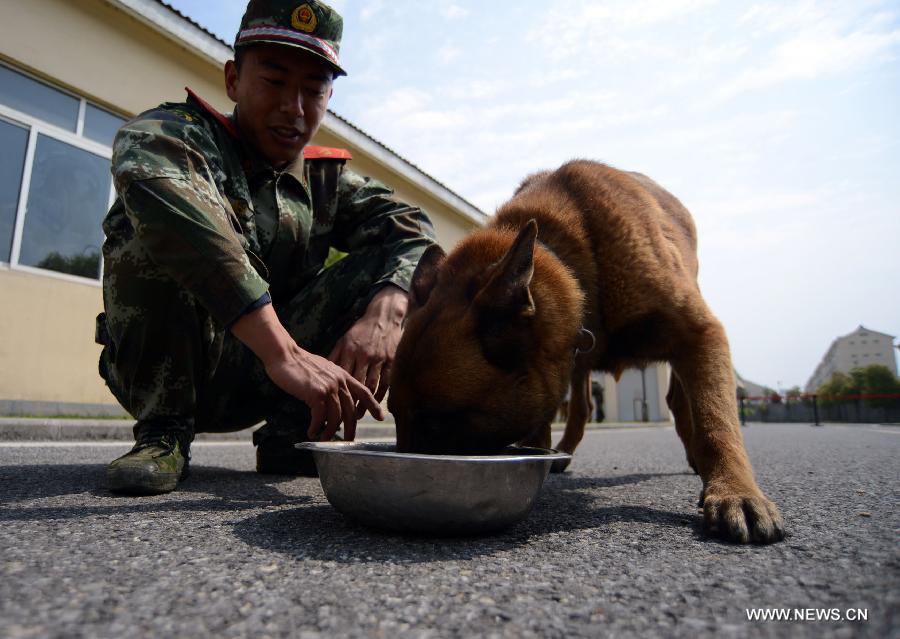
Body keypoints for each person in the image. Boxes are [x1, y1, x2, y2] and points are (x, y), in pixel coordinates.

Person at [96, 0, 436, 495]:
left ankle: (293, 433)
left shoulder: (324, 179)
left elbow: (413, 229)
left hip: (270, 382)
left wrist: (387, 311)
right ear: (233, 80)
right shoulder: (177, 136)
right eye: (274, 82)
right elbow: (153, 179)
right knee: (160, 227)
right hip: (172, 367)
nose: (293, 108)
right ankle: (163, 432)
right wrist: (283, 353)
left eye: (314, 89)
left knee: (390, 268)